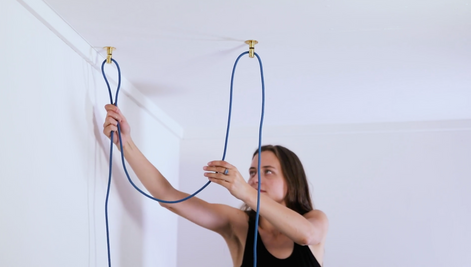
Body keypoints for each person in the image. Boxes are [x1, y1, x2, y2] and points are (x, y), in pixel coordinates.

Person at [103, 104, 329, 267]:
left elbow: (306, 236)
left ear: (292, 180)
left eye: (267, 171)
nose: (255, 179)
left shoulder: (315, 219)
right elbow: (168, 196)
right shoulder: (238, 224)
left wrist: (245, 191)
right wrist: (125, 144)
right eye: (251, 173)